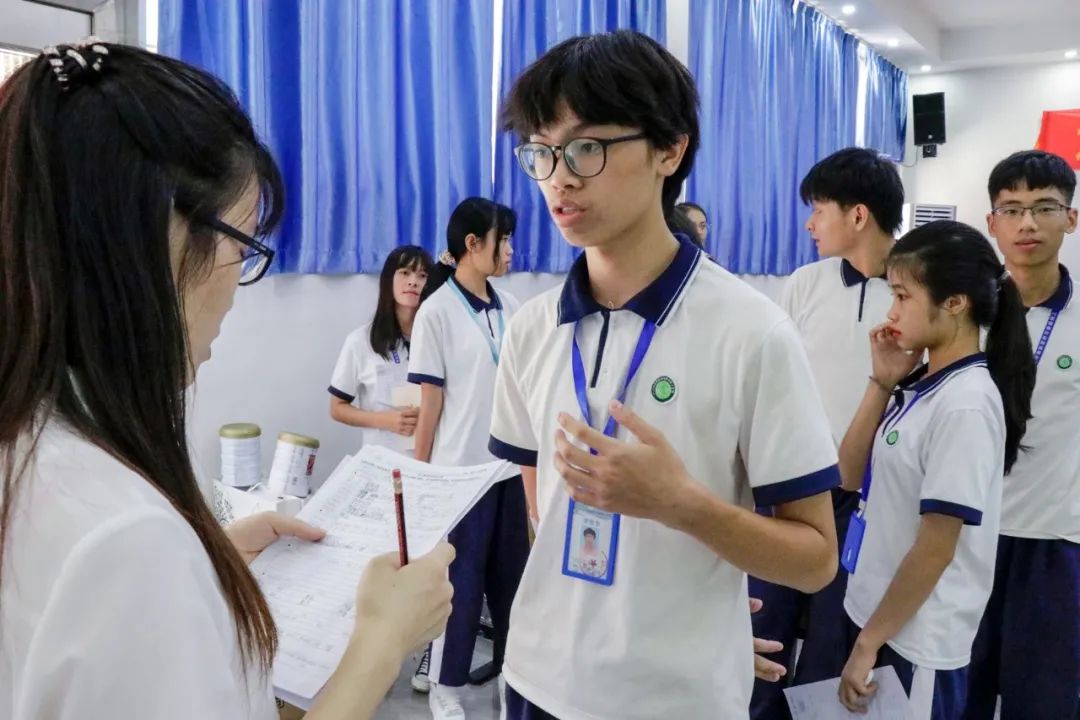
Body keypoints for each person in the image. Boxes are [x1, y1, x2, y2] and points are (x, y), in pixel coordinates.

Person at [0, 42, 454, 720]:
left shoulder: (38, 441)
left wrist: (210, 560)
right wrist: (383, 644)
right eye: (242, 248)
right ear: (159, 239)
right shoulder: (127, 541)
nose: (238, 288)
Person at [491, 30, 840, 719]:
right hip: (536, 678)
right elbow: (543, 512)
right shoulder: (531, 328)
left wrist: (681, 506)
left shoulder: (753, 332)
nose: (560, 177)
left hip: (674, 700)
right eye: (541, 152)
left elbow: (816, 559)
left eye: (587, 148)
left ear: (669, 150)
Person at [833, 220, 1035, 718]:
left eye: (903, 296)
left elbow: (935, 549)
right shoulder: (925, 385)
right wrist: (881, 382)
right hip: (880, 616)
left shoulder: (966, 404)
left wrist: (868, 644)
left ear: (955, 303)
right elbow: (848, 476)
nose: (892, 312)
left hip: (915, 637)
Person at [751, 147, 903, 719]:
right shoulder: (804, 283)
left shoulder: (913, 290)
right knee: (766, 625)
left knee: (833, 639)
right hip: (791, 487)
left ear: (858, 215)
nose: (810, 224)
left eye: (819, 210)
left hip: (868, 499)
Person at [961, 151, 1080, 720]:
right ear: (992, 223)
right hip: (964, 534)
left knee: (1043, 703)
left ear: (1071, 218)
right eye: (1011, 209)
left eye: (1044, 208)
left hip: (1054, 540)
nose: (1027, 223)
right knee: (959, 695)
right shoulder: (964, 314)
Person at [408, 198, 529, 720]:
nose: (511, 249)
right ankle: (446, 686)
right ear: (472, 244)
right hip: (460, 474)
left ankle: (511, 677)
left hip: (509, 470)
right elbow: (429, 406)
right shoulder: (435, 312)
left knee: (513, 585)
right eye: (504, 239)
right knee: (458, 587)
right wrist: (422, 478)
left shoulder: (512, 308)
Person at [328, 245, 433, 454]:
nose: (413, 281)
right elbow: (337, 408)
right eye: (405, 273)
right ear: (388, 280)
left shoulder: (437, 339)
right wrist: (385, 420)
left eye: (422, 276)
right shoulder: (360, 341)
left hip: (432, 460)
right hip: (382, 460)